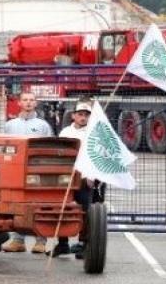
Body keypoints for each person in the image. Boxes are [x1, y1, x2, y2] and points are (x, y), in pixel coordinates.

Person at [1, 91, 54, 254]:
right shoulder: (10, 125)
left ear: (36, 103)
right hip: (15, 170)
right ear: (19, 103)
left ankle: (41, 241)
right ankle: (17, 240)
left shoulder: (43, 125)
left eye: (31, 100)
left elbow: (49, 148)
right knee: (16, 203)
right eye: (25, 100)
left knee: (39, 203)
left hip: (36, 170)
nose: (28, 103)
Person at [50, 99, 99, 259]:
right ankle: (62, 243)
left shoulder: (94, 134)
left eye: (86, 115)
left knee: (85, 212)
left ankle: (84, 244)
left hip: (85, 179)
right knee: (61, 210)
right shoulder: (65, 133)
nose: (83, 117)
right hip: (66, 178)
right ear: (73, 116)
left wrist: (91, 177)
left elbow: (96, 157)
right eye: (80, 114)